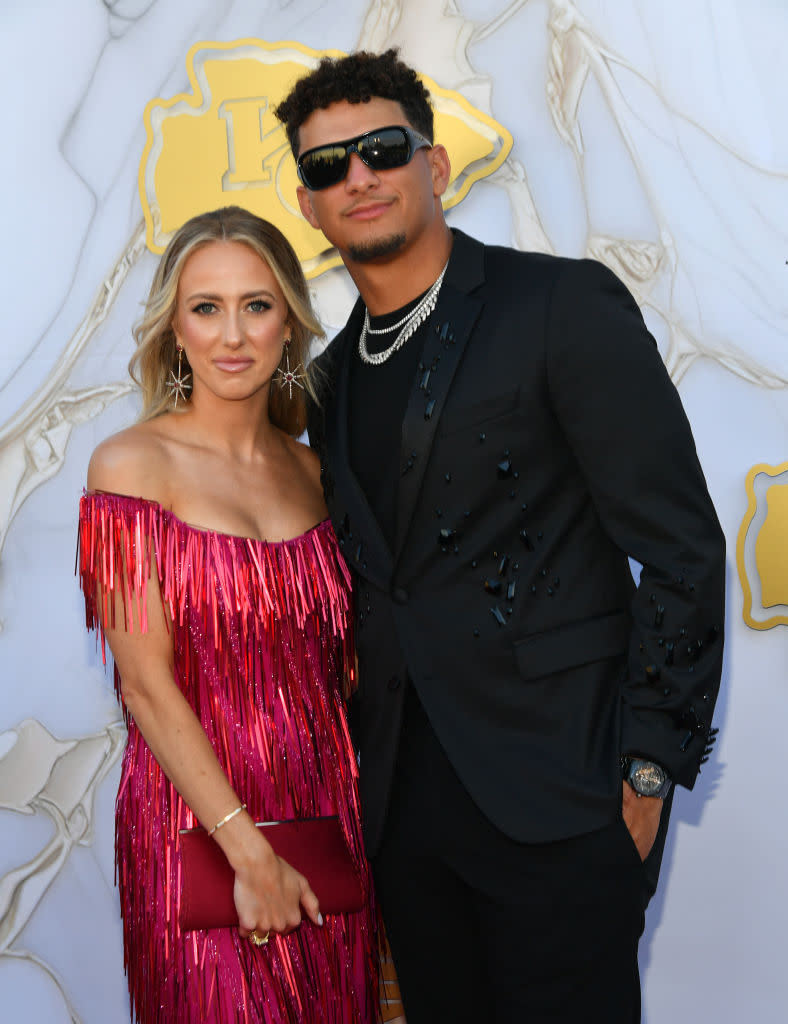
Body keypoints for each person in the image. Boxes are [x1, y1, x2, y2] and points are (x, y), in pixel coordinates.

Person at [275, 49, 726, 1023]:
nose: (356, 176)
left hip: (561, 792)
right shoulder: (329, 380)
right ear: (306, 205)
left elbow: (680, 546)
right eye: (325, 166)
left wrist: (646, 767)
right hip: (406, 813)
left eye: (380, 149)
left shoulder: (558, 306)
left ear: (432, 168)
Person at [77, 206, 402, 1023]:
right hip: (198, 826)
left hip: (328, 819)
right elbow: (146, 687)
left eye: (257, 305)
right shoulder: (130, 465)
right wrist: (246, 849)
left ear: (289, 322)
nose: (233, 334)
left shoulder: (320, 471)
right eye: (206, 307)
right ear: (173, 329)